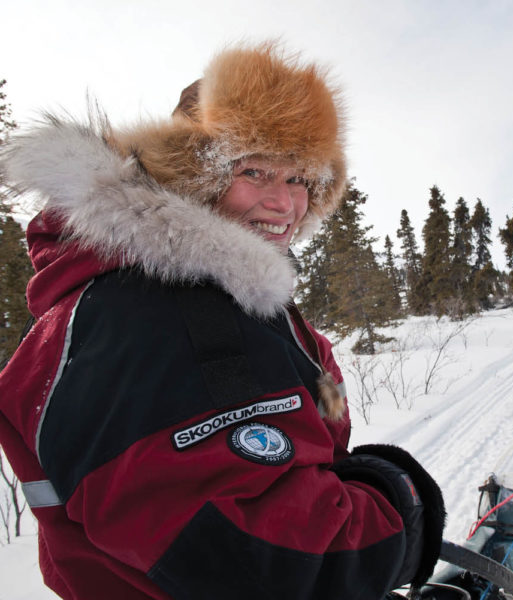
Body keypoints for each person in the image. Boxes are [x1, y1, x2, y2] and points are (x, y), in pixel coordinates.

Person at [0, 42, 445, 600]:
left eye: (301, 178)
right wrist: (399, 506)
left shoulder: (233, 296)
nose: (286, 204)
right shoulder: (142, 311)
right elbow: (258, 560)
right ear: (193, 175)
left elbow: (297, 416)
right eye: (256, 171)